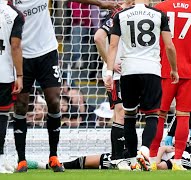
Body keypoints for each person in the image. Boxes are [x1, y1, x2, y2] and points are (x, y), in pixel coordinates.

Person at [12, 0, 120, 173]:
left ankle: (53, 157)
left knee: (54, 101)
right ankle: (21, 160)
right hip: (22, 54)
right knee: (21, 104)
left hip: (47, 51)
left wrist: (101, 3)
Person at [105, 0, 179, 171]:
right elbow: (169, 46)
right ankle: (145, 150)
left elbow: (113, 45)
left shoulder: (121, 15)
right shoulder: (159, 15)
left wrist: (109, 73)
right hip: (151, 69)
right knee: (153, 115)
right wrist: (174, 69)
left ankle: (132, 160)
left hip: (129, 70)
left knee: (129, 115)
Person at [149, 0, 191, 171]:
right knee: (183, 115)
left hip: (163, 68)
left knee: (159, 114)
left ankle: (152, 158)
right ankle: (178, 161)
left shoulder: (160, 8)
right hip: (188, 71)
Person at [94, 0, 134, 160]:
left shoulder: (129, 16)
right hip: (116, 74)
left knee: (127, 113)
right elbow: (98, 38)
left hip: (128, 72)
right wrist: (109, 62)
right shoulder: (117, 16)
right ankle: (117, 158)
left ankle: (124, 155)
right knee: (120, 113)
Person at [25, 139, 191, 170]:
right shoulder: (187, 154)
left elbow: (155, 167)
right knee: (93, 159)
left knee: (93, 162)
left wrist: (163, 151)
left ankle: (42, 165)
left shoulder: (181, 164)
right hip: (134, 157)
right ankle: (47, 164)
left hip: (133, 165)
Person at [0, 0, 24, 173]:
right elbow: (15, 46)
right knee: (1, 116)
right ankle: (0, 159)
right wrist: (20, 75)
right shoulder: (15, 14)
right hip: (3, 72)